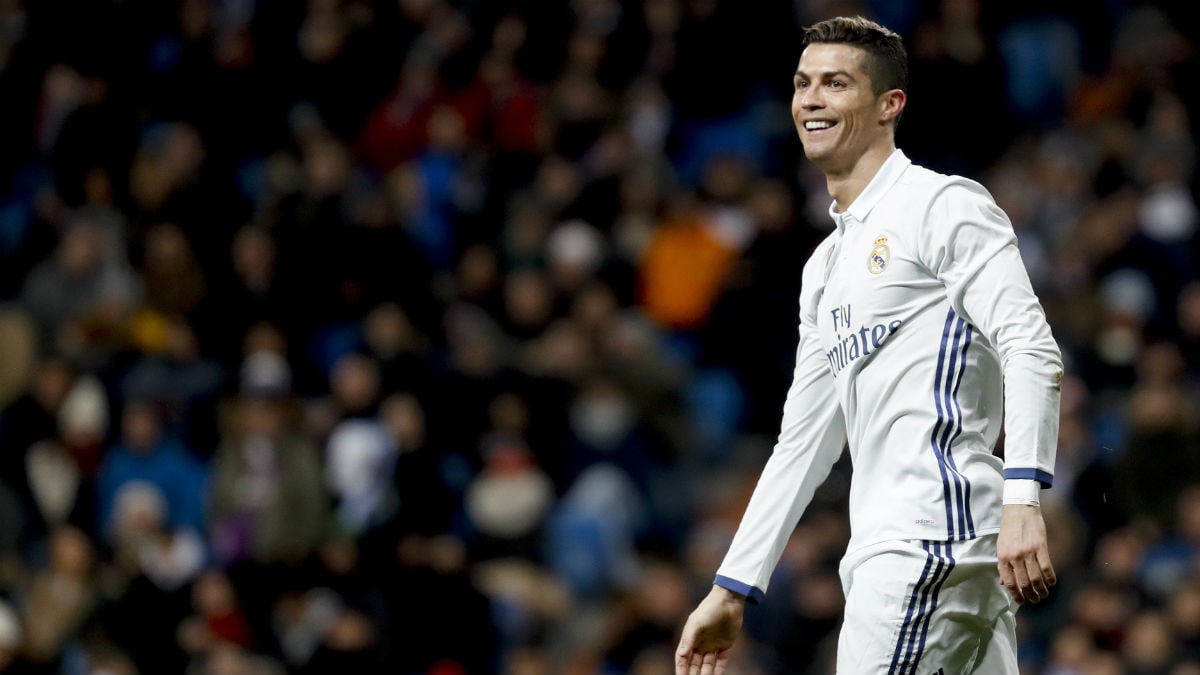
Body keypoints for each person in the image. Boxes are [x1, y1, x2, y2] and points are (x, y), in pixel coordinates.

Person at [675, 16, 1062, 675]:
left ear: (889, 105)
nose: (812, 100)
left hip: (927, 537)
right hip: (912, 547)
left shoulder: (942, 205)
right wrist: (733, 584)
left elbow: (1031, 345)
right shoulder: (825, 268)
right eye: (802, 84)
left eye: (835, 83)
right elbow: (804, 441)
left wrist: (1026, 495)